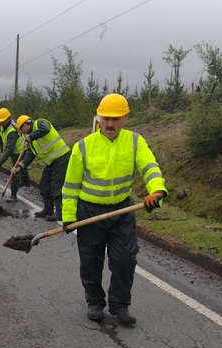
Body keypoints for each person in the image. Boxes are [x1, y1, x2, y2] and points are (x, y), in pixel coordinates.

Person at [61, 93, 167, 325]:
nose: (110, 124)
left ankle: (120, 306)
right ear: (98, 118)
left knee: (125, 259)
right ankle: (95, 303)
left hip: (122, 212)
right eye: (106, 118)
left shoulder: (135, 141)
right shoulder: (83, 147)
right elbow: (70, 186)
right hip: (89, 212)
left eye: (116, 119)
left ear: (126, 119)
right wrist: (68, 217)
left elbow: (149, 166)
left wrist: (157, 190)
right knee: (91, 260)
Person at [11, 115, 70, 221]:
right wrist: (19, 167)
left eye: (22, 130)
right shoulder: (32, 142)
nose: (23, 133)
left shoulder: (40, 123)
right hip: (51, 163)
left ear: (25, 125)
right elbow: (29, 155)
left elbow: (46, 129)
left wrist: (31, 136)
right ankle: (48, 209)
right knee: (44, 185)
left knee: (57, 185)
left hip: (62, 158)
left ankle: (60, 213)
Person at [0, 108, 26, 202]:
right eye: (0, 121)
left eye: (2, 121)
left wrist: (0, 161)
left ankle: (13, 195)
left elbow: (9, 149)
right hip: (13, 151)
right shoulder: (3, 125)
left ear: (8, 118)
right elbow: (0, 135)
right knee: (19, 171)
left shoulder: (12, 130)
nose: (1, 123)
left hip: (20, 152)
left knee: (14, 172)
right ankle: (25, 180)